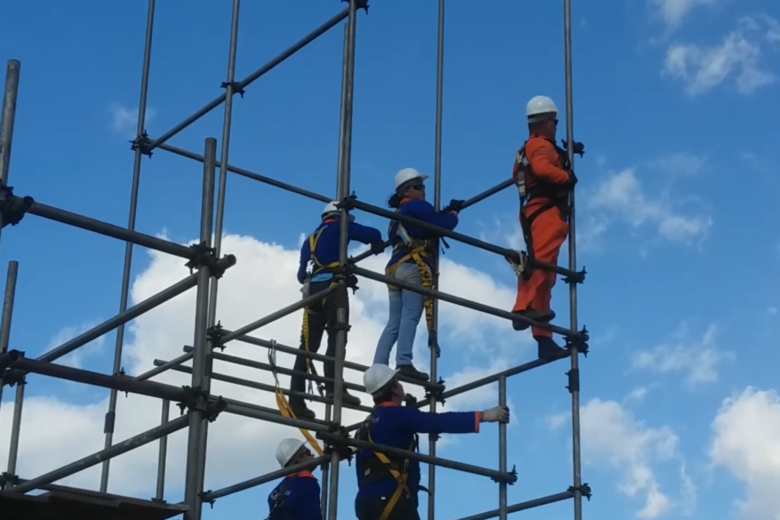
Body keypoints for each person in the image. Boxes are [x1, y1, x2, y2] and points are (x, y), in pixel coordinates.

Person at [354, 364, 510, 520]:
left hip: (365, 504)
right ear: (395, 389)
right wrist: (483, 416)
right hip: (391, 498)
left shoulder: (363, 427)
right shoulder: (398, 415)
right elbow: (438, 422)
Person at [291, 201, 384, 419]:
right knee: (336, 338)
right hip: (333, 288)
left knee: (306, 347)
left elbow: (300, 275)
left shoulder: (310, 240)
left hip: (313, 291)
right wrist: (377, 242)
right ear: (338, 215)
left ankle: (296, 400)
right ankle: (334, 388)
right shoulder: (339, 226)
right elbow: (372, 234)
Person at [373, 168, 461, 381]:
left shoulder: (398, 215)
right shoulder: (416, 206)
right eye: (418, 187)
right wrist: (453, 214)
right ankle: (403, 361)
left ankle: (377, 367)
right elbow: (443, 226)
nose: (423, 191)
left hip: (394, 268)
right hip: (413, 267)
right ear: (406, 191)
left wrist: (440, 215)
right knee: (410, 315)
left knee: (394, 321)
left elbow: (427, 225)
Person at [510, 95, 578, 360]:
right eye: (555, 122)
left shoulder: (526, 148)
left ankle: (543, 338)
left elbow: (517, 174)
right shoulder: (539, 146)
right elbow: (542, 169)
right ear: (548, 122)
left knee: (546, 275)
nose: (557, 126)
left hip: (535, 211)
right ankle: (523, 308)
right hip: (545, 211)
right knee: (542, 265)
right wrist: (566, 177)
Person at [266, 438, 322, 520]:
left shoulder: (275, 493)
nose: (313, 455)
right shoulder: (307, 483)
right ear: (299, 459)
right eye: (308, 453)